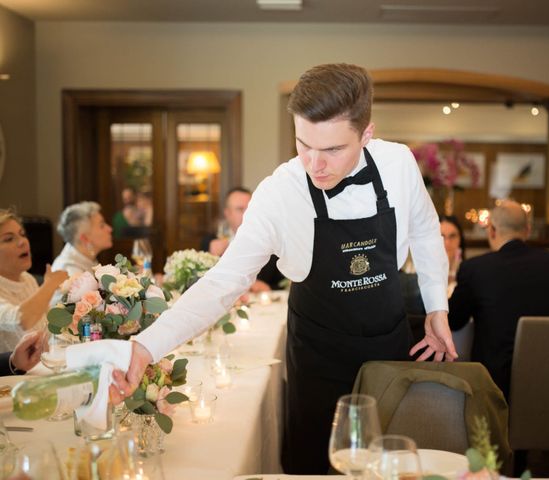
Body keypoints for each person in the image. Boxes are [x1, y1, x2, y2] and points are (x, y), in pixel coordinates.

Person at [112, 63, 457, 474]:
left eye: (332, 150)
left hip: (389, 345)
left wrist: (437, 308)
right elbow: (224, 281)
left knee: (387, 462)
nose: (315, 163)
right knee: (317, 463)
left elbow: (425, 231)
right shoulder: (279, 193)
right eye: (303, 144)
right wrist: (145, 346)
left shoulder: (399, 164)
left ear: (367, 134)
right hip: (319, 357)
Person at [448, 199, 549, 398]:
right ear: (528, 230)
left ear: (492, 230)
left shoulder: (475, 269)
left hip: (495, 385)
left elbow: (454, 321)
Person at [0, 209, 68, 351]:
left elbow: (49, 331)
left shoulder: (27, 279)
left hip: (40, 368)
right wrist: (50, 285)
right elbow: (21, 320)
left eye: (22, 234)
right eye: (9, 239)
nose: (23, 242)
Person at [200, 187, 285, 291]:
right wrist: (213, 258)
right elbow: (198, 284)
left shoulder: (271, 244)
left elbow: (282, 285)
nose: (246, 214)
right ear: (227, 213)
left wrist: (268, 288)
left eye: (250, 208)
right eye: (240, 209)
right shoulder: (209, 243)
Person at [51, 201, 113, 277]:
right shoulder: (70, 271)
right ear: (85, 238)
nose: (110, 229)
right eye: (102, 226)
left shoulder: (87, 257)